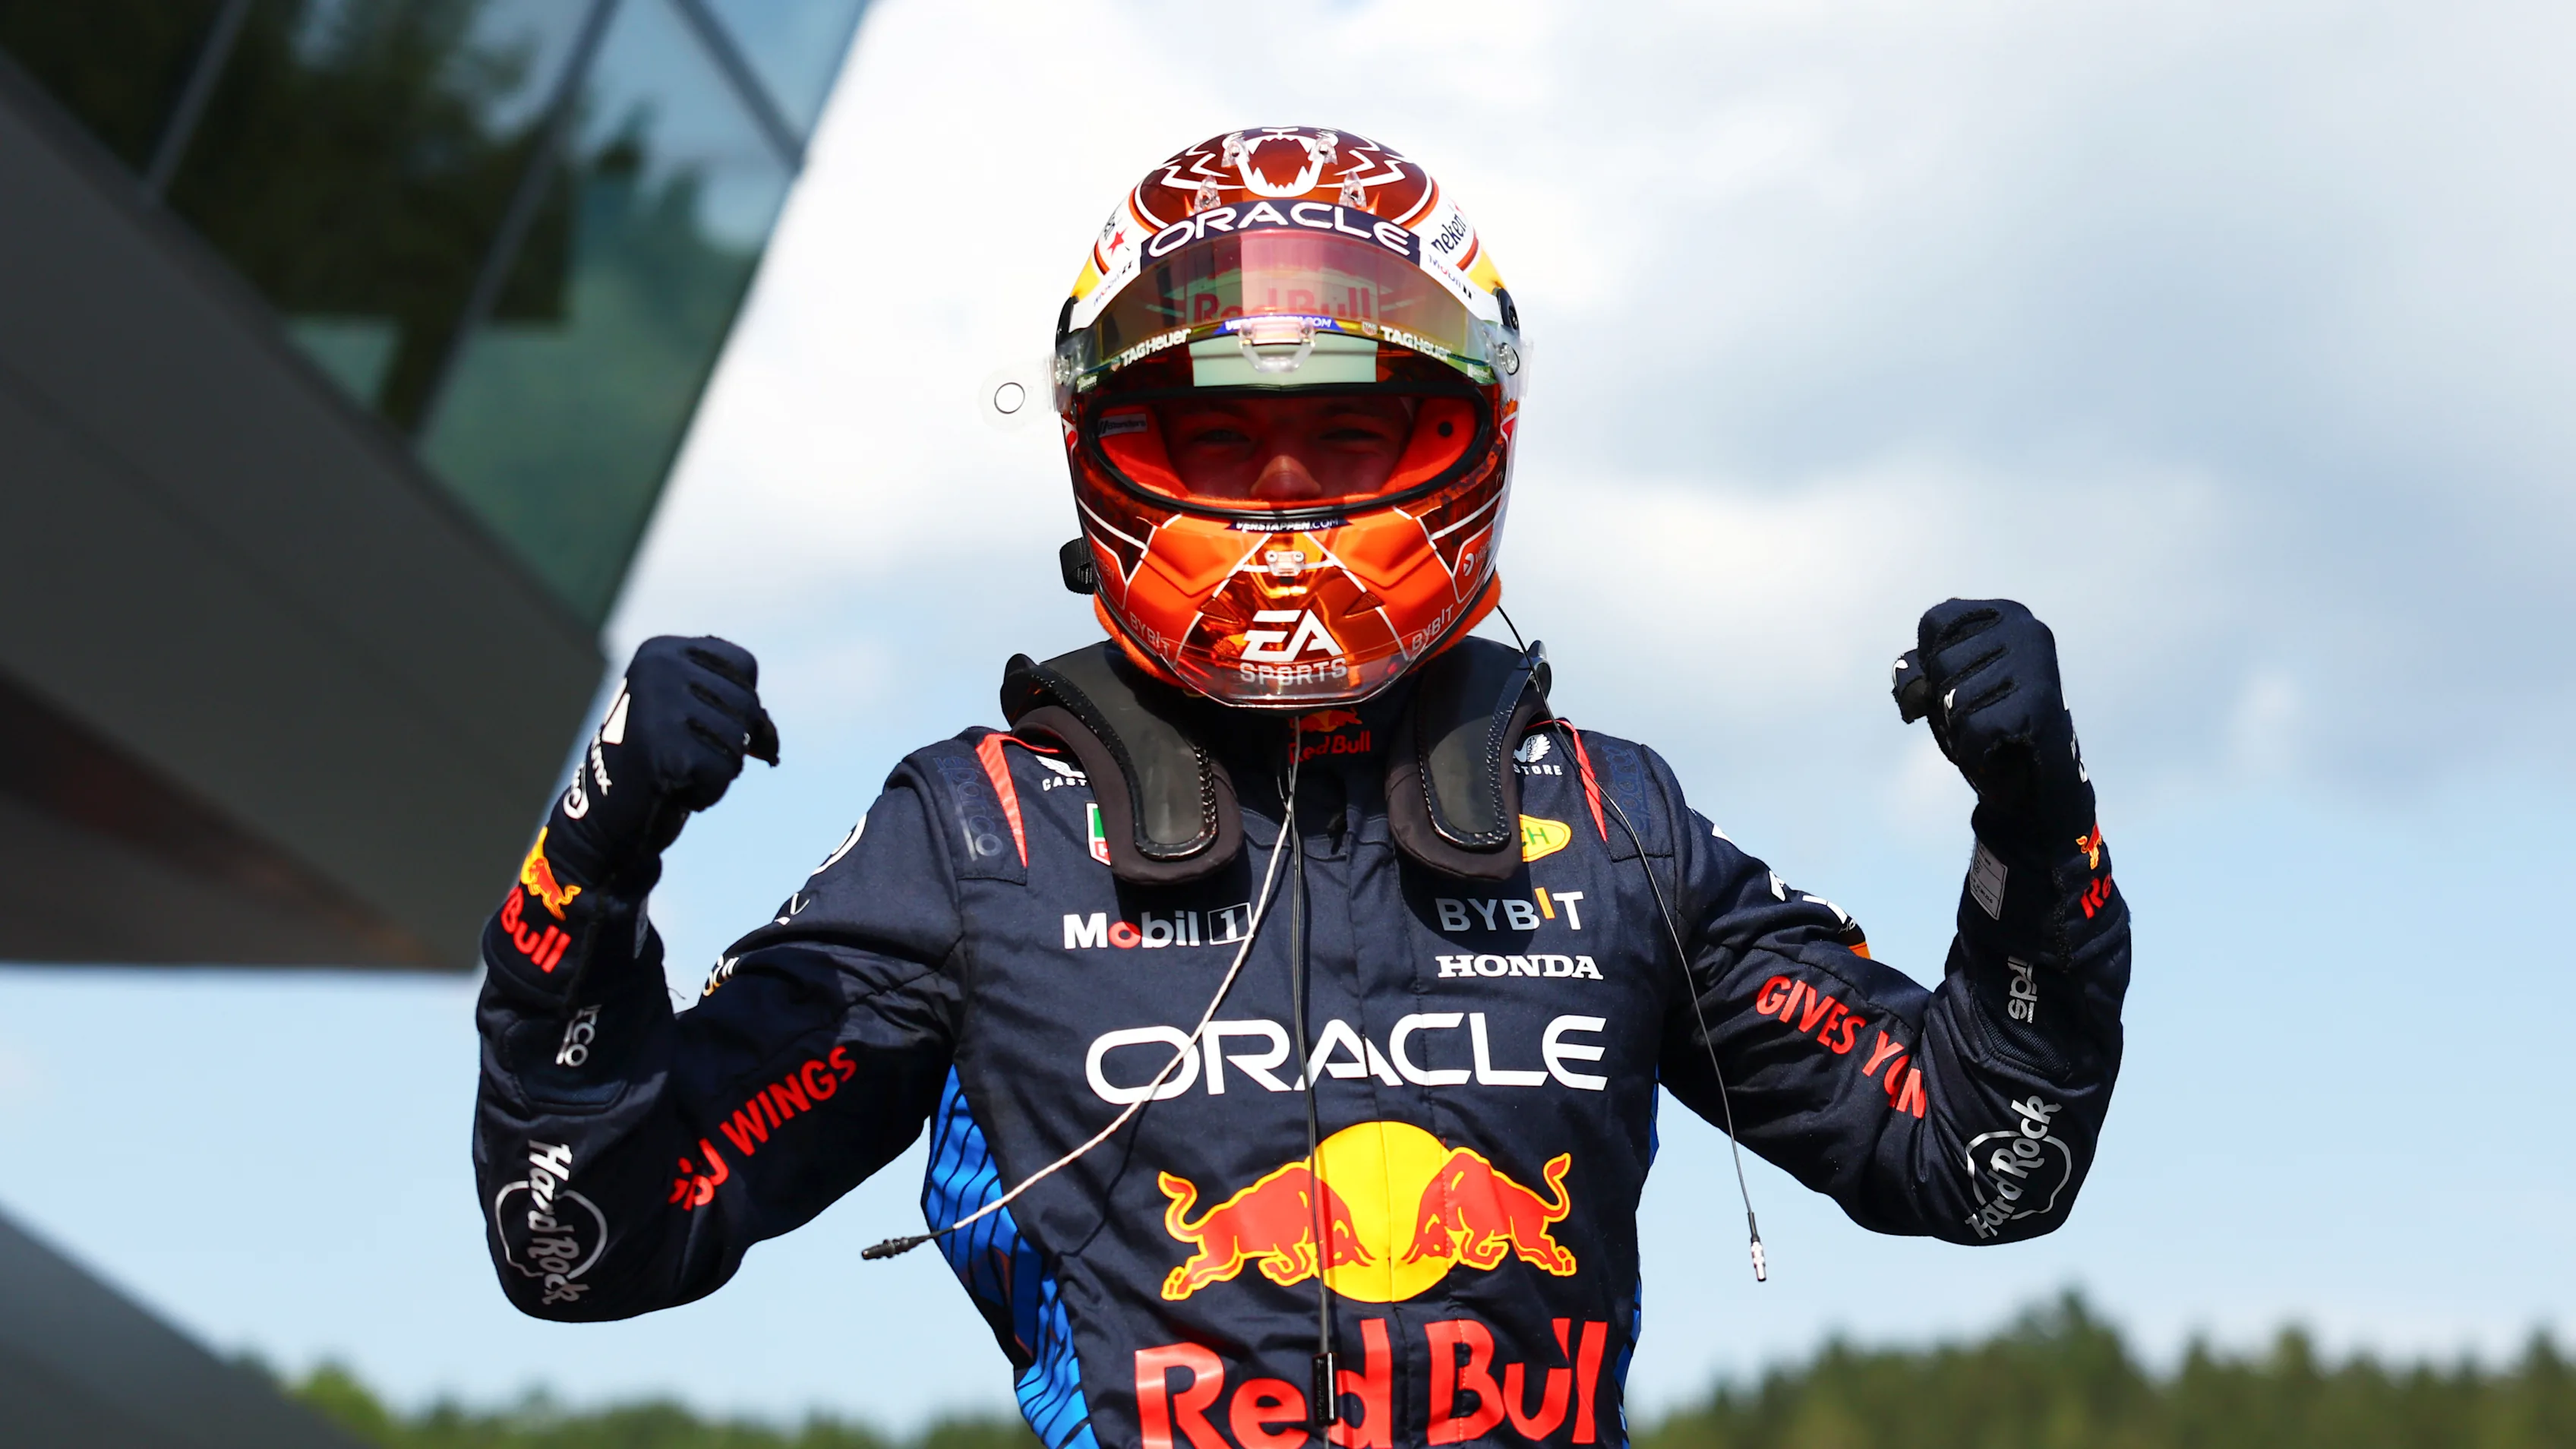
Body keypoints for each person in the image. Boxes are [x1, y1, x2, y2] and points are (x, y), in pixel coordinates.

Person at [473, 127, 2129, 1449]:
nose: (1278, 504)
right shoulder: (977, 833)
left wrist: (2036, 828)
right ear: (1099, 447)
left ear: (1467, 437)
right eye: (1212, 439)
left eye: (1342, 436)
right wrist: (591, 878)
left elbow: (1984, 1163)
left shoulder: (1615, 826)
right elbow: (585, 1248)